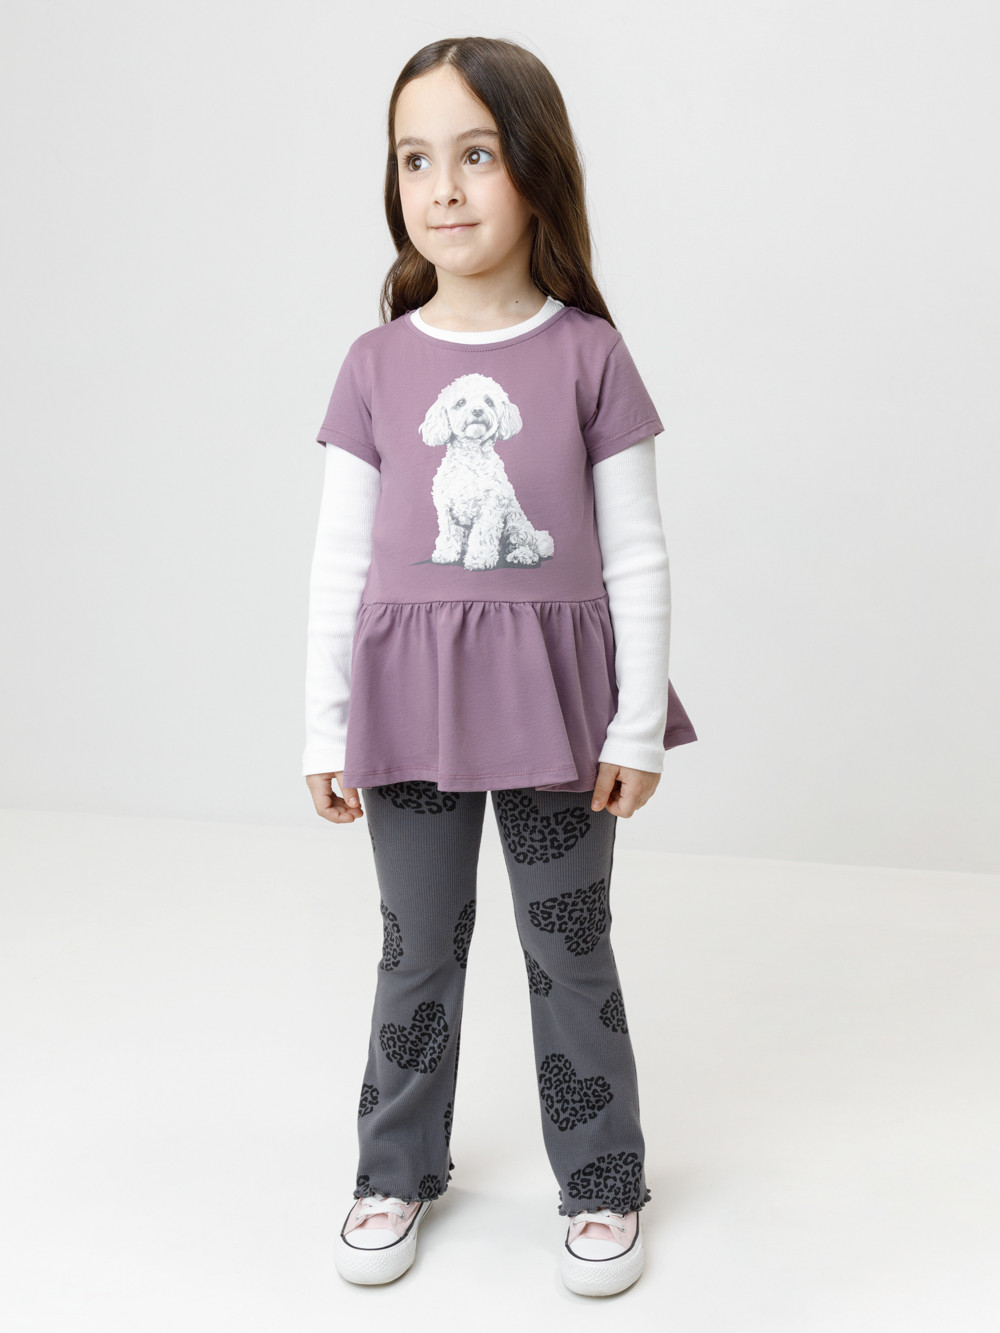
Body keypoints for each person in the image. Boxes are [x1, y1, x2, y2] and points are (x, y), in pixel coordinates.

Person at [302, 35, 697, 1296]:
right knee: (415, 945)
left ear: (534, 168)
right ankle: (393, 1168)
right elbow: (339, 564)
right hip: (407, 710)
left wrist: (634, 726)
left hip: (556, 712)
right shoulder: (375, 366)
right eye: (415, 159)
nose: (444, 187)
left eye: (474, 154)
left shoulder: (589, 355)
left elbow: (636, 553)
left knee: (568, 943)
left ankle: (602, 1178)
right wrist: (324, 726)